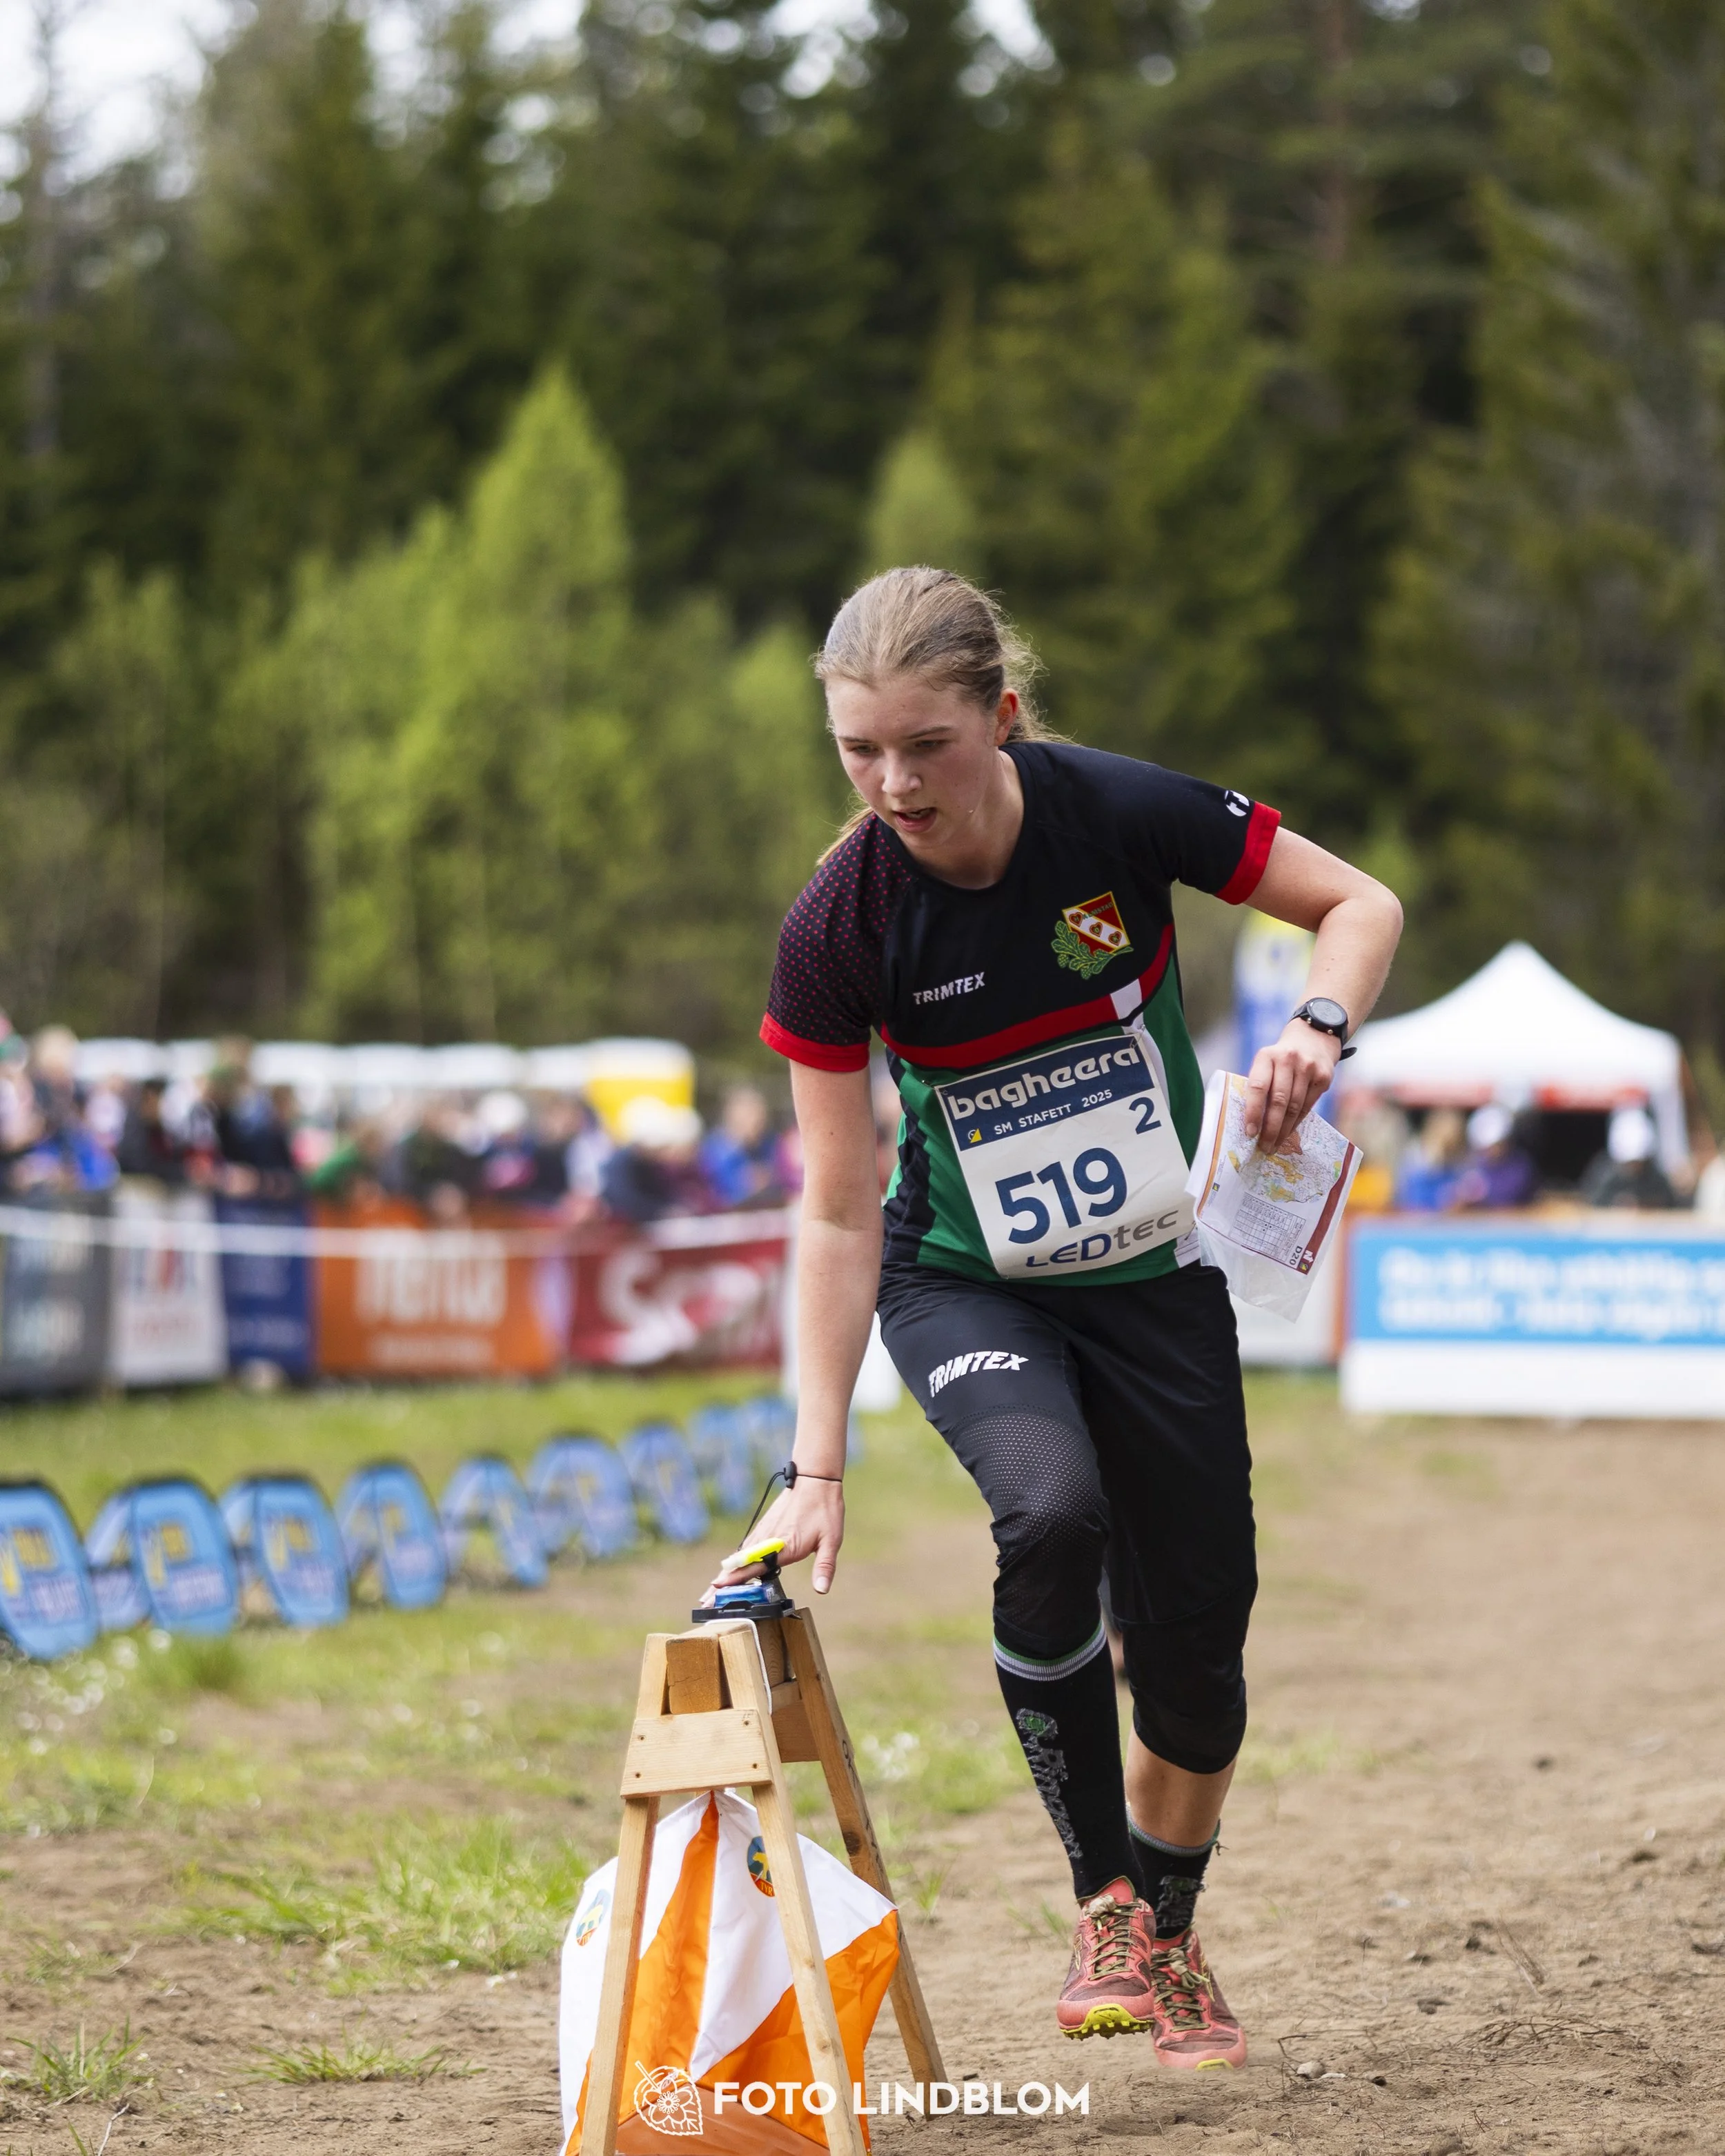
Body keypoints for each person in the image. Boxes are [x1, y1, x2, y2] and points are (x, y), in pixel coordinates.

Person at [707, 568, 1402, 2069]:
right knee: (1050, 1508)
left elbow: (1359, 902)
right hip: (965, 1281)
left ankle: (1168, 1928)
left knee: (1197, 1657)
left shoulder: (1113, 812)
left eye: (927, 744)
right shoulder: (839, 927)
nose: (893, 783)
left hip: (1154, 1284)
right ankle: (1099, 1898)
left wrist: (1313, 1028)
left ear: (1000, 717)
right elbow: (834, 1205)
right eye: (857, 752)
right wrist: (813, 1458)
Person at [698, 1085, 782, 1209]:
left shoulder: (767, 1144)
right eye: (752, 1115)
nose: (758, 1122)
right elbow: (718, 1193)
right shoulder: (716, 1149)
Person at [1580, 1103, 1676, 1209]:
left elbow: (1670, 1203)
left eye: (1638, 1161)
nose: (1634, 1167)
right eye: (1629, 1162)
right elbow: (1592, 1203)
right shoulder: (1604, 1177)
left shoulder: (1657, 1180)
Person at [1451, 1102, 1537, 1211]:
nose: (1492, 1150)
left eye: (1497, 1144)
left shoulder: (1519, 1168)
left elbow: (1510, 1203)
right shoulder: (1469, 1164)